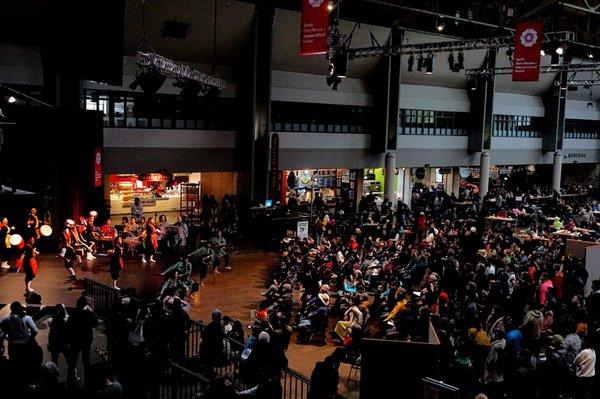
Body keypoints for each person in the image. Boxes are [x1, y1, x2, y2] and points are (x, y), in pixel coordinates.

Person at [0, 301, 41, 386]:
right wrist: (30, 337)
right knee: (26, 363)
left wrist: (6, 335)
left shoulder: (6, 319)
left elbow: (1, 329)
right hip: (25, 345)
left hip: (13, 346)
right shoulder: (27, 318)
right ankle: (26, 383)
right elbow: (35, 331)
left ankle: (16, 383)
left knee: (15, 365)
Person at [66, 295, 99, 385]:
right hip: (86, 341)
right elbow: (95, 323)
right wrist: (92, 312)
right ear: (85, 305)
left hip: (75, 340)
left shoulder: (74, 313)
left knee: (72, 362)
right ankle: (88, 382)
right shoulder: (88, 314)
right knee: (86, 361)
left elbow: (68, 326)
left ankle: (70, 380)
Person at [200, 309, 225, 376]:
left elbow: (204, 335)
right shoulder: (219, 326)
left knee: (209, 366)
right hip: (212, 349)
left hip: (208, 349)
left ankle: (208, 376)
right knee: (209, 366)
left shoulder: (209, 326)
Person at [47, 304, 69, 369]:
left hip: (53, 343)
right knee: (69, 361)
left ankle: (55, 377)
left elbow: (50, 334)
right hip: (63, 343)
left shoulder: (50, 321)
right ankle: (73, 376)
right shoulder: (65, 321)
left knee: (54, 361)